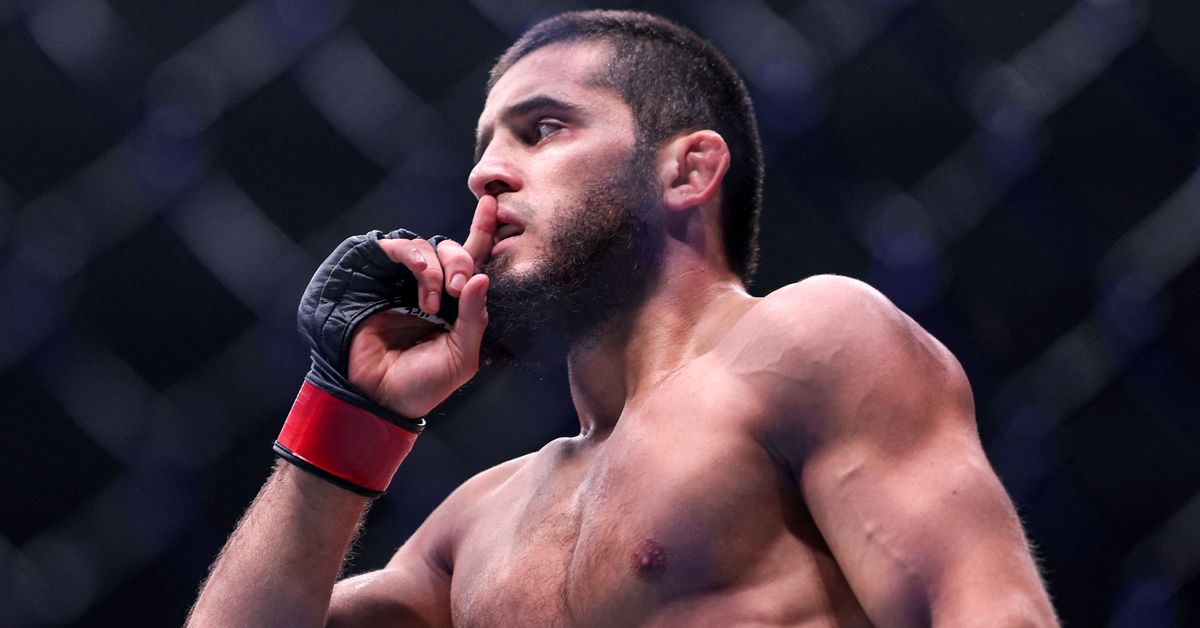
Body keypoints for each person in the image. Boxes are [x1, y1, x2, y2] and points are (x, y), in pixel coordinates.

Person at [187, 10, 1059, 627]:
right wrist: (350, 410)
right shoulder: (479, 524)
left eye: (542, 128)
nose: (485, 175)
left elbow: (986, 613)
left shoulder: (810, 343)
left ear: (688, 170)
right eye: (485, 147)